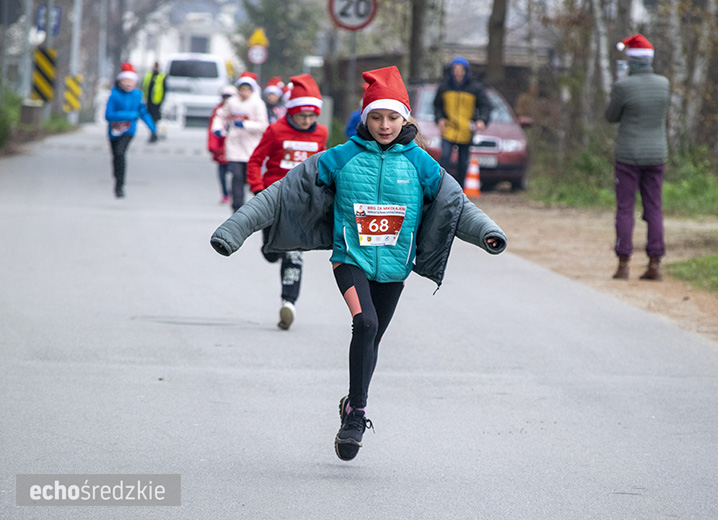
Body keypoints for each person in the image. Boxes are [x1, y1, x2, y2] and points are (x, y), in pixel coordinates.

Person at [210, 65, 507, 462]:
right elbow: (281, 194)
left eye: (392, 117)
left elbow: (457, 205)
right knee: (364, 323)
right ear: (365, 118)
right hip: (350, 258)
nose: (385, 125)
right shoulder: (341, 157)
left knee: (373, 337)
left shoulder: (421, 164)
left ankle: (352, 400)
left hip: (396, 268)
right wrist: (235, 229)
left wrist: (488, 234)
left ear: (406, 119)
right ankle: (358, 416)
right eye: (376, 117)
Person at [246, 74, 329, 330]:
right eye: (302, 116)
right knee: (272, 252)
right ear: (291, 112)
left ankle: (288, 303)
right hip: (273, 199)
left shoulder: (321, 134)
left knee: (295, 255)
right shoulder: (275, 131)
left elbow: (323, 166)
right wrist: (259, 189)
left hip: (303, 205)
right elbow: (255, 160)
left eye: (312, 116)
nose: (307, 121)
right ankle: (272, 250)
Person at [605, 34, 670, 281]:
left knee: (625, 209)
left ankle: (623, 264)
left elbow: (612, 116)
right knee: (654, 208)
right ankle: (654, 263)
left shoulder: (623, 86)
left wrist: (617, 88)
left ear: (631, 61)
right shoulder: (664, 84)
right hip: (657, 154)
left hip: (628, 156)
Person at [210, 72, 269, 212]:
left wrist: (246, 125)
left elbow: (263, 125)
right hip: (234, 143)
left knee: (247, 177)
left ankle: (253, 202)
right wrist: (217, 128)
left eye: (247, 89)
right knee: (236, 175)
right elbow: (220, 116)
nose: (244, 93)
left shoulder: (258, 104)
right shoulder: (232, 102)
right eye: (242, 89)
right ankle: (237, 206)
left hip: (251, 144)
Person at [433, 56, 492, 187]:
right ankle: (441, 186)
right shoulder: (444, 87)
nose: (458, 72)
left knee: (463, 162)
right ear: (451, 71)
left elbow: (485, 106)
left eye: (460, 70)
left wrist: (482, 120)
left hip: (466, 129)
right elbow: (437, 105)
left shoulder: (475, 88)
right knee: (445, 157)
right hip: (449, 128)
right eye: (455, 69)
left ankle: (460, 188)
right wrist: (439, 119)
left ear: (466, 71)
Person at [104, 62, 157, 198]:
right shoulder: (114, 95)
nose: (128, 84)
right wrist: (130, 115)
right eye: (125, 80)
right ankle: (117, 176)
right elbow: (108, 115)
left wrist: (153, 129)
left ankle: (120, 185)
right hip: (114, 131)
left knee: (121, 153)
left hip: (128, 131)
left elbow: (143, 113)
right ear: (120, 81)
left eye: (131, 81)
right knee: (115, 155)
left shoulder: (137, 95)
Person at [208, 85, 237, 205]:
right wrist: (212, 145)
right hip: (221, 146)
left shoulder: (238, 110)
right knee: (222, 173)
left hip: (236, 148)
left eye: (229, 97)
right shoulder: (218, 111)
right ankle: (225, 193)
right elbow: (212, 130)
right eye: (225, 97)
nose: (227, 99)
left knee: (236, 173)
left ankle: (234, 192)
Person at [142, 62, 166, 137]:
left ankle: (154, 132)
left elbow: (165, 89)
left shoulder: (162, 76)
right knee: (149, 116)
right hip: (148, 99)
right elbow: (144, 85)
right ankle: (153, 132)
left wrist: (162, 100)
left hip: (157, 100)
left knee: (155, 117)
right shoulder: (148, 74)